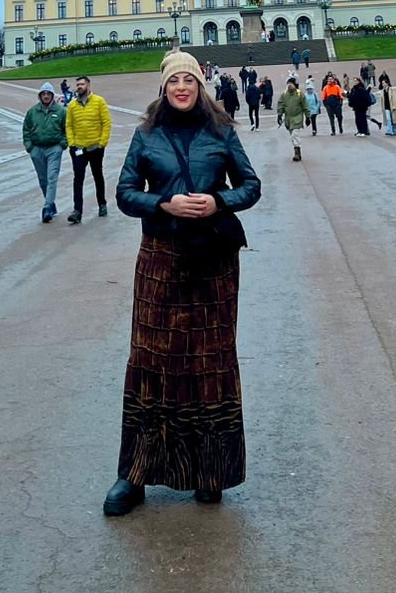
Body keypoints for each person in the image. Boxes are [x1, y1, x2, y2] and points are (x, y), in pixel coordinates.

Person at [105, 51, 261, 516]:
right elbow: (125, 193)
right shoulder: (146, 135)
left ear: (200, 85)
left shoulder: (221, 131)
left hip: (212, 258)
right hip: (161, 256)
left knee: (210, 360)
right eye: (174, 80)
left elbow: (251, 185)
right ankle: (135, 473)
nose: (182, 87)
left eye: (189, 80)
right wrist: (163, 204)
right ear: (164, 87)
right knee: (152, 358)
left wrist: (218, 201)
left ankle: (210, 470)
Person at [65, 74, 112, 224]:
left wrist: (102, 143)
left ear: (88, 86)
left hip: (95, 147)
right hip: (78, 148)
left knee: (98, 175)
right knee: (78, 178)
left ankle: (102, 204)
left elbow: (106, 123)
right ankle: (77, 211)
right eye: (78, 85)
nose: (79, 87)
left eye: (82, 84)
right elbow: (69, 125)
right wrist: (72, 143)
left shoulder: (99, 101)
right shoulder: (72, 105)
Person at [22, 82, 67, 223]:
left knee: (52, 177)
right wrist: (30, 147)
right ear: (40, 96)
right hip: (37, 149)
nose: (46, 96)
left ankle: (47, 208)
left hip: (54, 148)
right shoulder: (32, 112)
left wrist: (62, 144)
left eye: (48, 94)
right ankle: (51, 203)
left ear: (52, 95)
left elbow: (67, 129)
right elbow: (26, 129)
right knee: (43, 179)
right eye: (43, 94)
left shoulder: (61, 111)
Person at [277, 76, 311, 161]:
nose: (289, 85)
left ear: (295, 85)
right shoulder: (284, 94)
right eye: (288, 84)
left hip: (297, 117)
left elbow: (305, 106)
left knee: (295, 135)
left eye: (291, 84)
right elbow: (281, 104)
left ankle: (297, 153)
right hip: (288, 119)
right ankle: (297, 150)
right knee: (292, 136)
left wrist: (308, 117)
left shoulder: (300, 94)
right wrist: (279, 115)